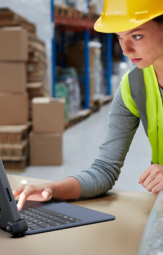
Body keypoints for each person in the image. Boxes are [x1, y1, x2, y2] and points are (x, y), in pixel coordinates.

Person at [13, 0, 163, 211]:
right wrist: (50, 189)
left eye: (137, 36)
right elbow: (104, 170)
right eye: (120, 37)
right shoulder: (134, 86)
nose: (126, 49)